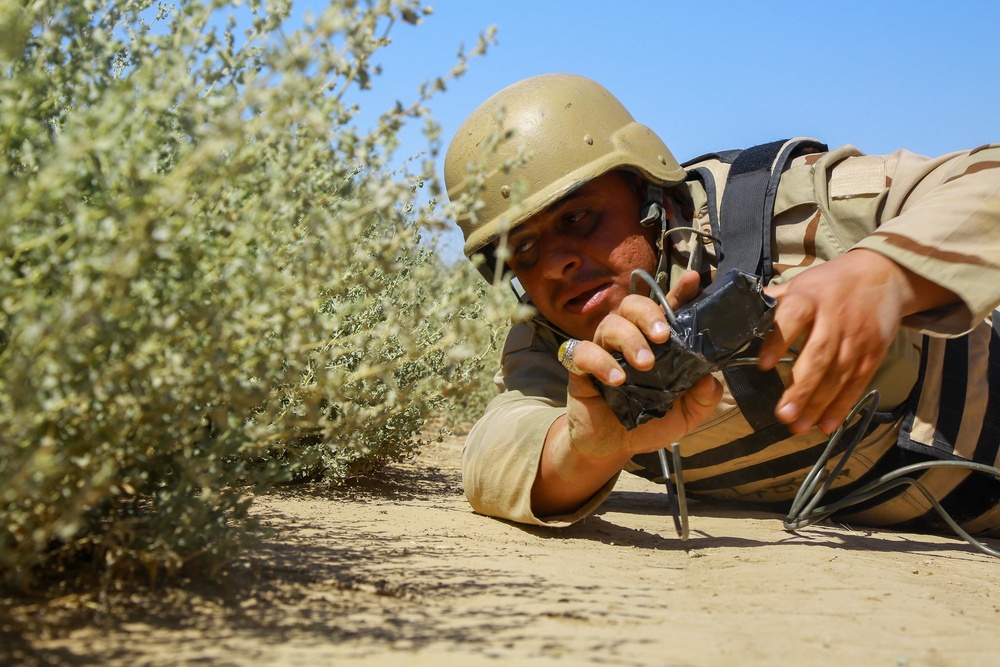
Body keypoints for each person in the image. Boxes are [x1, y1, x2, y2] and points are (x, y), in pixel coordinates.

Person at [443, 73, 1000, 541]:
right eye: (524, 250)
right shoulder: (557, 345)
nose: (556, 264)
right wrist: (582, 450)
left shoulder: (787, 207)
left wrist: (884, 271)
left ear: (649, 195)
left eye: (577, 218)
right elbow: (492, 454)